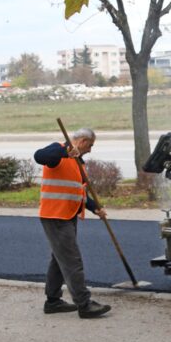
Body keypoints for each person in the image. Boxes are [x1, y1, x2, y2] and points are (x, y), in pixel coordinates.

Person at [34, 128, 112, 319]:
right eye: (90, 145)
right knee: (71, 260)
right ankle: (84, 304)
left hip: (67, 214)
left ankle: (52, 301)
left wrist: (95, 208)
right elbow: (39, 156)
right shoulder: (58, 151)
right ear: (83, 141)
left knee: (60, 259)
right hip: (56, 215)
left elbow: (79, 192)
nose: (90, 150)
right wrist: (65, 151)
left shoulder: (78, 162)